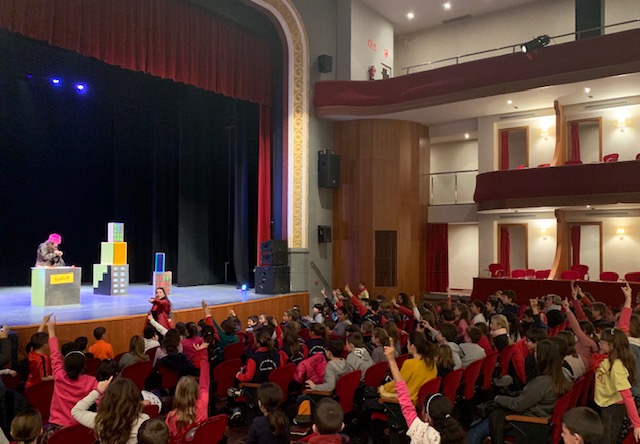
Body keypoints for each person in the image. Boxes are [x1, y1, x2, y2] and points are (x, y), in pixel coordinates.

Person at [384, 339, 466, 443]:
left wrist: (391, 360)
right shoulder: (459, 436)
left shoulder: (421, 432)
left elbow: (404, 397)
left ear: (427, 417)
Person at [44, 316, 97, 443]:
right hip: (82, 427)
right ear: (84, 366)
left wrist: (51, 331)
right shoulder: (91, 381)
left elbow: (55, 355)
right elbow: (101, 405)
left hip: (58, 429)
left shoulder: (58, 375)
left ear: (65, 365)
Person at [71, 376, 149, 444]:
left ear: (107, 400)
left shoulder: (100, 421)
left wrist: (98, 391)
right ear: (135, 399)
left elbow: (76, 411)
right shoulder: (144, 420)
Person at [595, 327, 640, 443]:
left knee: (609, 439)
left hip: (613, 407)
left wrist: (637, 424)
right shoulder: (610, 359)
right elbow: (622, 328)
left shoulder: (616, 366)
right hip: (607, 404)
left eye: (602, 342)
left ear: (612, 346)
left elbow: (627, 395)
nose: (599, 344)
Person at [165, 343, 210, 444]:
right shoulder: (203, 403)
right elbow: (204, 380)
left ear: (178, 393)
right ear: (196, 390)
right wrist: (203, 355)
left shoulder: (172, 417)